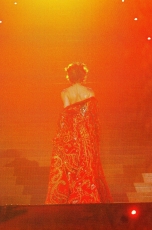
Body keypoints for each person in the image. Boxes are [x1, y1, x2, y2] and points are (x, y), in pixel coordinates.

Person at [45, 62, 112, 204]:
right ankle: (86, 197)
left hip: (72, 134)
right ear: (83, 76)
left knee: (71, 166)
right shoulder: (89, 92)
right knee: (86, 164)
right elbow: (92, 117)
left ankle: (74, 198)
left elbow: (66, 115)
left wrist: (61, 137)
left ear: (69, 76)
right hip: (85, 134)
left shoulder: (65, 93)